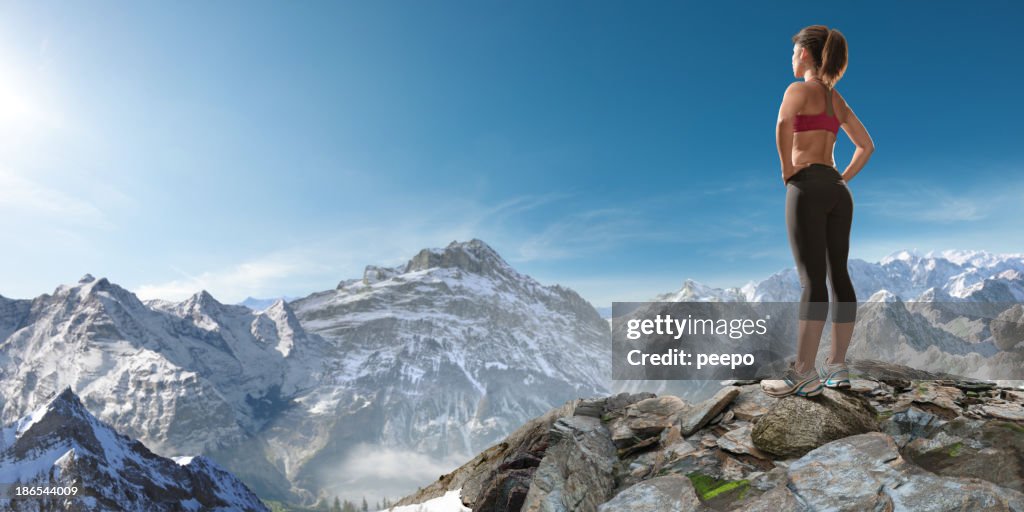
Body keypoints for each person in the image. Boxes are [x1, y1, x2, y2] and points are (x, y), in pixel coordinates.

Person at [763, 25, 875, 398]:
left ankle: (804, 373)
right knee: (838, 276)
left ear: (807, 54)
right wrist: (840, 178)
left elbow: (782, 124)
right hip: (837, 192)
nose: (791, 58)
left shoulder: (797, 90)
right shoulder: (836, 99)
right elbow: (866, 146)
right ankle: (837, 367)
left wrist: (786, 169)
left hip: (807, 186)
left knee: (811, 279)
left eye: (794, 51)